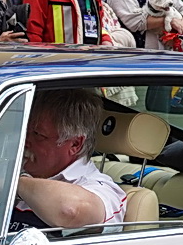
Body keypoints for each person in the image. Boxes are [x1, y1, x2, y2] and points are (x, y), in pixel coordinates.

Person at [16, 88, 128, 229]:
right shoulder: (13, 169)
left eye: (38, 134)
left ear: (75, 144)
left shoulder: (101, 190)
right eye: (25, 131)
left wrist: (15, 183)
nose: (25, 140)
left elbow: (70, 211)